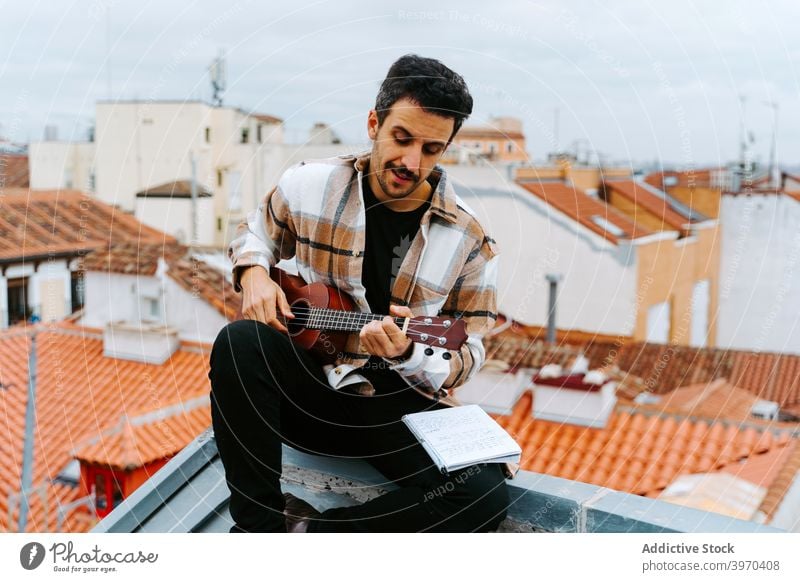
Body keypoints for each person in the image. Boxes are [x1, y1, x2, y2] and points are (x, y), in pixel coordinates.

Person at [209, 54, 512, 533]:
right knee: (240, 342)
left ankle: (313, 534)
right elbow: (255, 233)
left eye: (431, 149)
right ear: (374, 123)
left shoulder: (471, 240)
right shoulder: (310, 184)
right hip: (310, 393)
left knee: (485, 493)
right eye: (402, 138)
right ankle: (256, 531)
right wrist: (254, 273)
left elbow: (469, 350)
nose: (412, 163)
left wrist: (412, 352)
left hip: (396, 407)